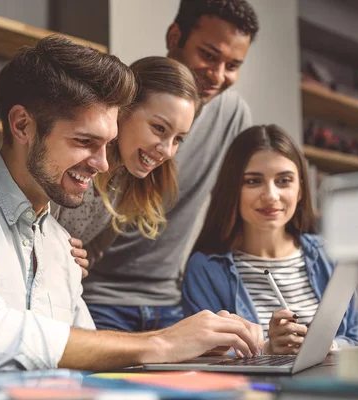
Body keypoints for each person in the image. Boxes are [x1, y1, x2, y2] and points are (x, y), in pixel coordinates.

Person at [0, 36, 264, 385]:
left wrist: (197, 357)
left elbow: (87, 362)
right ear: (22, 126)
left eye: (107, 144)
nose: (104, 164)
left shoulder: (57, 243)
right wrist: (160, 342)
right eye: (85, 141)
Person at [82, 0, 259, 332]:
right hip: (99, 298)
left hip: (171, 300)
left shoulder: (233, 116)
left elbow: (232, 213)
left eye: (233, 65)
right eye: (208, 55)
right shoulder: (119, 107)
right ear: (175, 36)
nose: (218, 76)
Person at [181, 125, 358, 355]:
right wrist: (267, 350)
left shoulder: (333, 255)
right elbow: (199, 354)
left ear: (300, 190)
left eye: (284, 180)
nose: (270, 196)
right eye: (253, 181)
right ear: (232, 190)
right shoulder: (206, 269)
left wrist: (329, 347)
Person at [55, 56, 201, 273]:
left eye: (178, 138)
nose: (166, 150)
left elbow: (93, 251)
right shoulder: (73, 158)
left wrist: (81, 262)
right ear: (124, 108)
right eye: (159, 128)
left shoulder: (129, 182)